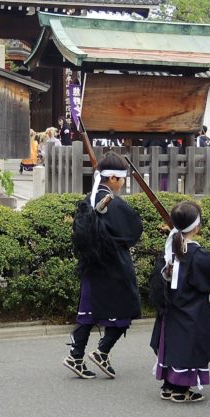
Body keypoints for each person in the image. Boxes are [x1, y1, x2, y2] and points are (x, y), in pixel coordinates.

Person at [64, 152, 143, 379]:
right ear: (114, 178)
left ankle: (76, 356)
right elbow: (134, 229)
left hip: (92, 265)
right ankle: (102, 351)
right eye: (122, 178)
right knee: (126, 308)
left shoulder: (90, 198)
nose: (123, 182)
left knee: (88, 312)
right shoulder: (112, 202)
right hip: (114, 266)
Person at [149, 201, 210, 402]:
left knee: (171, 341)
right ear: (197, 227)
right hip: (191, 307)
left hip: (171, 306)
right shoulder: (195, 253)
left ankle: (168, 384)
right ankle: (181, 389)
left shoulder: (171, 247)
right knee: (187, 344)